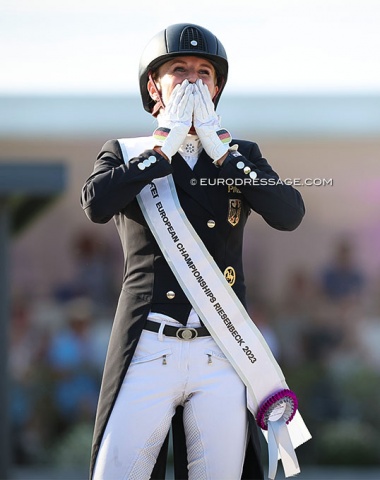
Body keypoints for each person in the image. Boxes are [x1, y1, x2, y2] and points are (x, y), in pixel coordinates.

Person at [81, 23, 305, 480]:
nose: (192, 80)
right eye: (178, 70)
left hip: (219, 349)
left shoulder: (240, 154)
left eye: (204, 72)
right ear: (153, 86)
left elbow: (289, 212)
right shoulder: (128, 151)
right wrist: (162, 147)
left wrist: (222, 153)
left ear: (217, 87)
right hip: (148, 346)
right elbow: (95, 204)